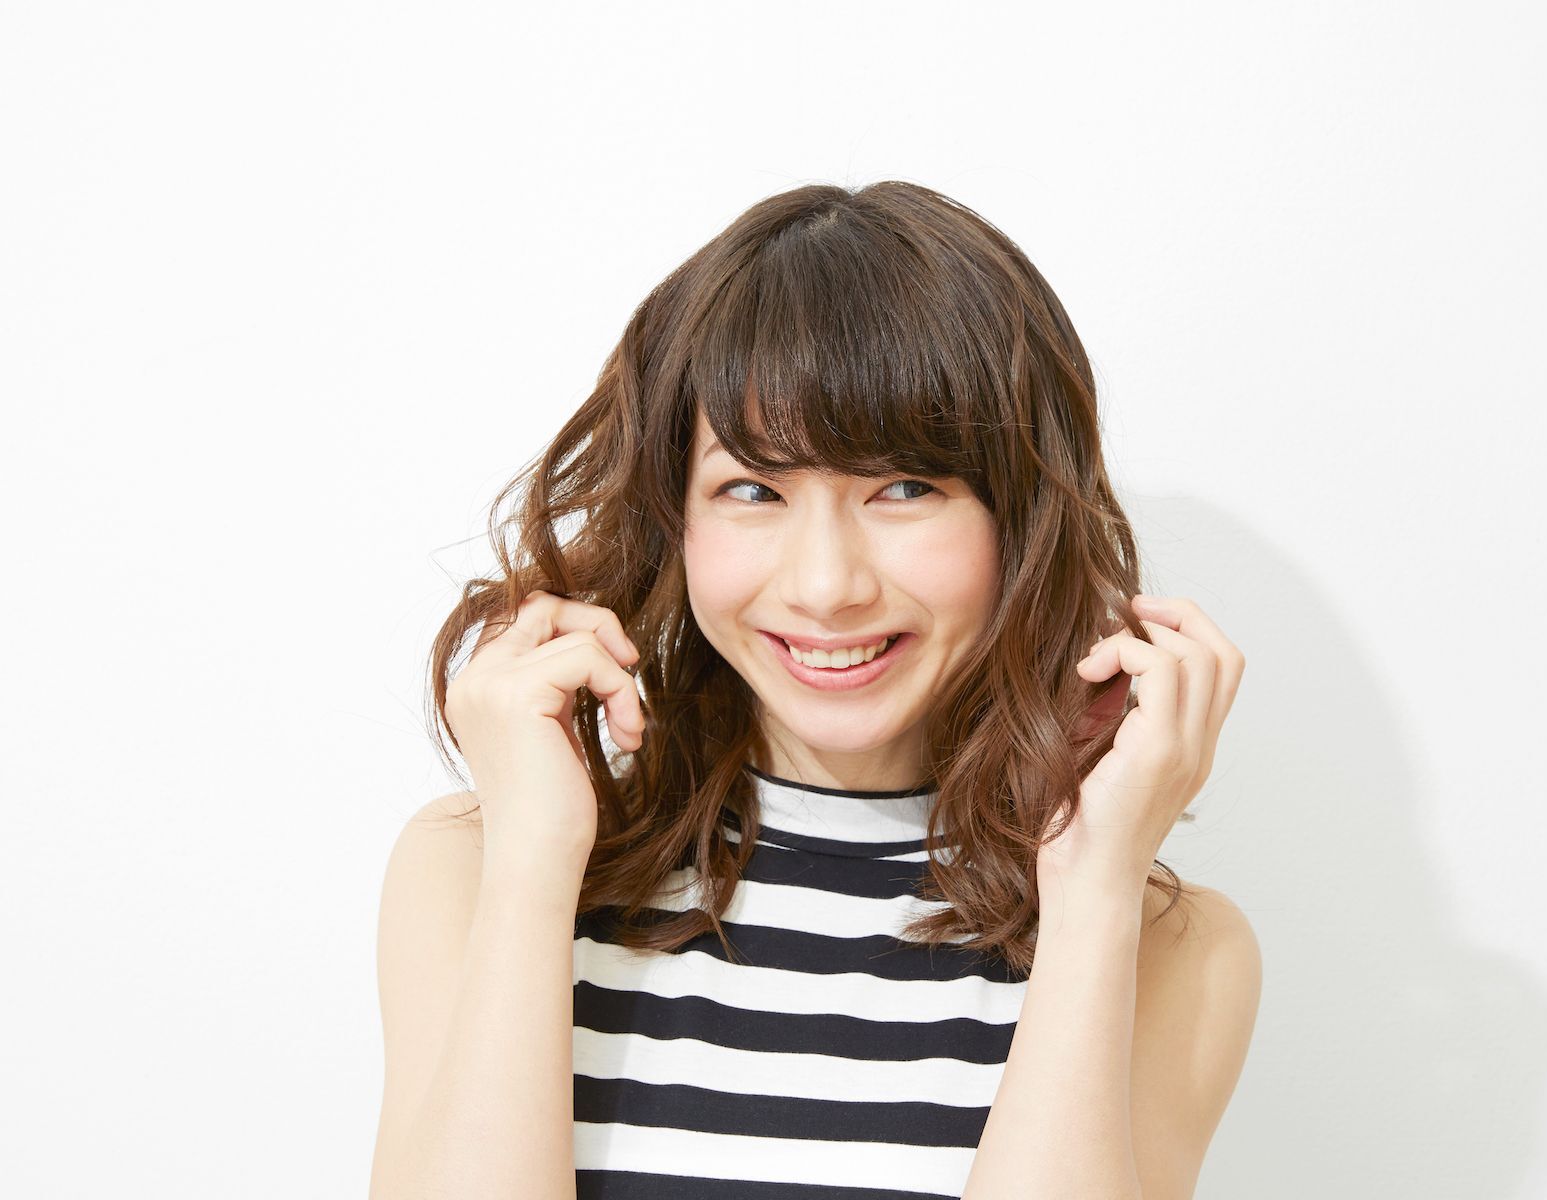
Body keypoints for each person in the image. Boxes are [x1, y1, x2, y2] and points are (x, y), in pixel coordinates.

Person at [368, 181, 1261, 1200]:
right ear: (677, 521)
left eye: (905, 489)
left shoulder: (1168, 947)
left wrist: (1097, 883)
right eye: (753, 490)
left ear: (1021, 520)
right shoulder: (475, 868)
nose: (828, 586)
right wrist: (535, 858)